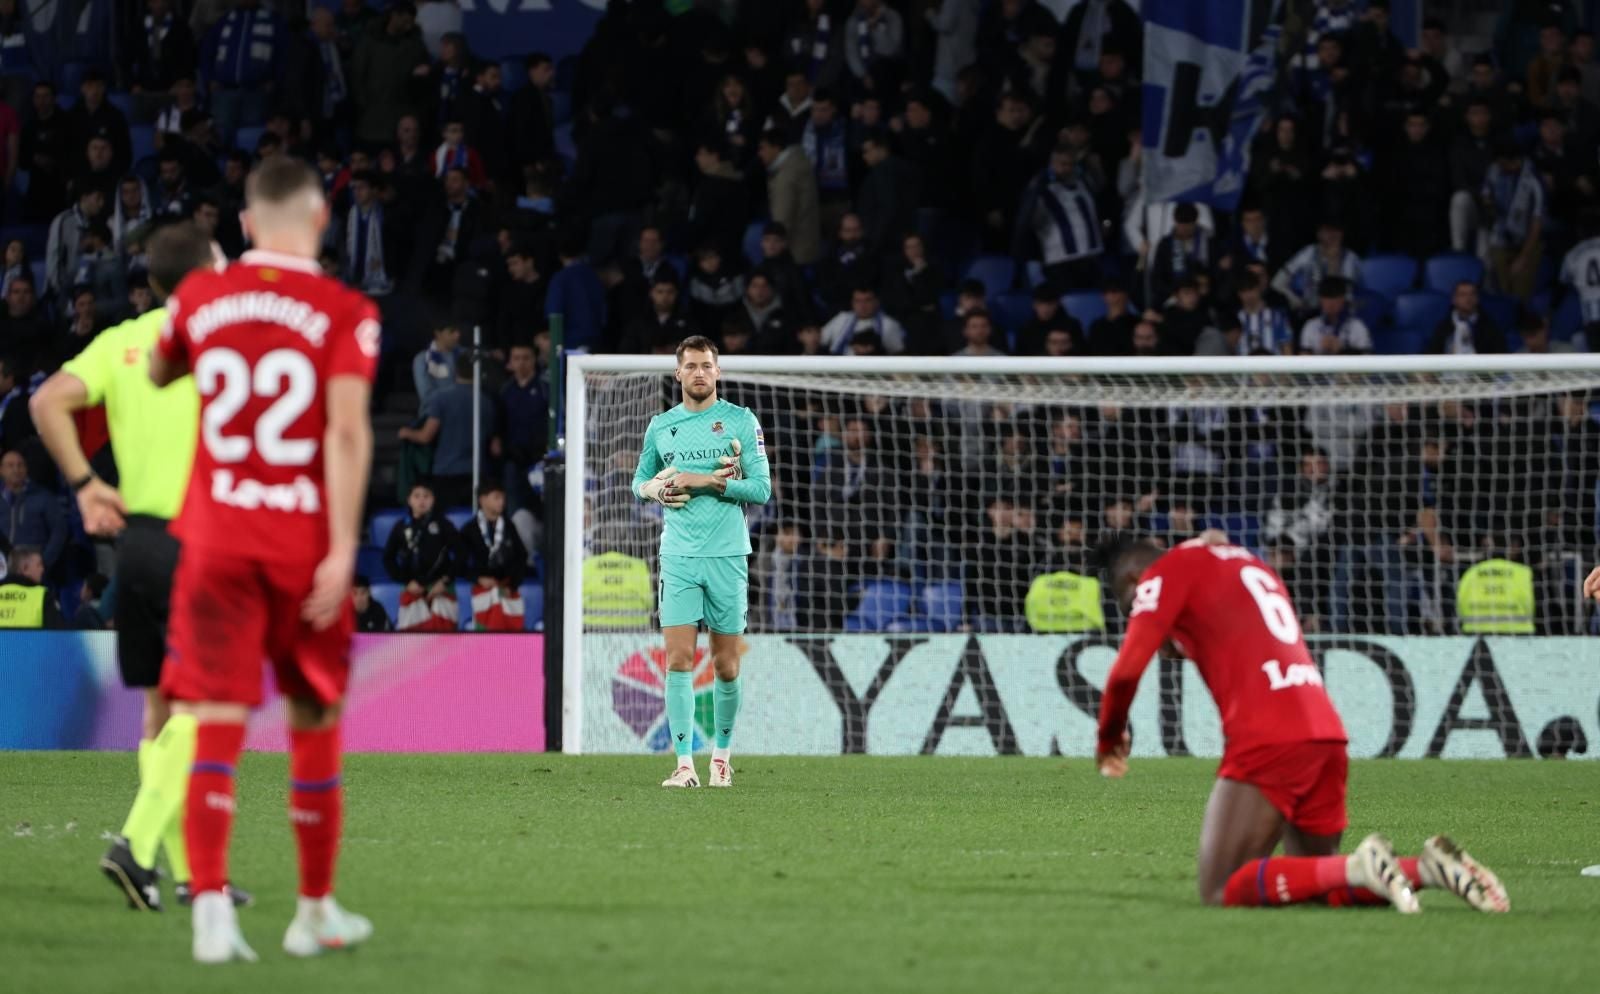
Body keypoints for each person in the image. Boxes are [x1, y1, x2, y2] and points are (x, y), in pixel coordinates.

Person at [148, 156, 378, 962]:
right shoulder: (344, 309)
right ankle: (312, 911)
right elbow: (347, 432)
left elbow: (159, 366)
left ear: (244, 225)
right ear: (321, 221)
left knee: (215, 720)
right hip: (302, 544)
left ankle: (211, 911)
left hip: (214, 543)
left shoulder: (200, 297)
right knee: (314, 719)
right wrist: (346, 548)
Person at [31, 220, 257, 912]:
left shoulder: (120, 342)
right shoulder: (224, 342)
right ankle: (134, 844)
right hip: (204, 543)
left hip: (140, 548)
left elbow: (45, 401)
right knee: (212, 706)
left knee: (161, 709)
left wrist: (84, 483)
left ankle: (187, 878)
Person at [1097, 535, 1511, 912]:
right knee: (1317, 880)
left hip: (1269, 738)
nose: (1136, 613)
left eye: (1129, 604)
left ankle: (1363, 866)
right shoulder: (1245, 562)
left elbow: (1124, 673)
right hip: (1325, 732)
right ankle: (1427, 869)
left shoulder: (1163, 575)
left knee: (1220, 888)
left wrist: (1109, 738)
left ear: (1135, 580)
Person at [632, 336, 771, 788]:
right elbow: (639, 480)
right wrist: (654, 489)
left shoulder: (739, 421)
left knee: (727, 665)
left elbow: (761, 489)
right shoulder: (661, 426)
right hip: (678, 556)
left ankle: (722, 759)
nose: (698, 373)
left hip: (728, 555)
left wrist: (709, 482)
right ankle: (685, 765)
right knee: (677, 659)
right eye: (690, 366)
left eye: (706, 366)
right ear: (678, 374)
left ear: (717, 371)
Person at [383, 480, 459, 631]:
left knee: (446, 646)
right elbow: (388, 558)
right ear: (409, 500)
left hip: (440, 591)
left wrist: (445, 580)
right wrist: (406, 581)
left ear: (433, 500)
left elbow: (462, 554)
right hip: (412, 590)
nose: (421, 500)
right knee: (411, 645)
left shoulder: (444, 525)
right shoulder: (401, 526)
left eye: (426, 496)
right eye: (417, 496)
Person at [456, 480, 528, 631]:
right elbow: (459, 564)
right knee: (488, 635)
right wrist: (478, 578)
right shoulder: (469, 530)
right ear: (482, 499)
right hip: (482, 589)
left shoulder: (509, 526)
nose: (501, 502)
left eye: (503, 498)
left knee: (511, 636)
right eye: (496, 497)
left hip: (507, 588)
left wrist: (513, 585)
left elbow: (522, 557)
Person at [0, 545, 65, 628]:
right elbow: (57, 636)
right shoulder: (42, 596)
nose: (42, 569)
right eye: (39, 564)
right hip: (31, 641)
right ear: (25, 569)